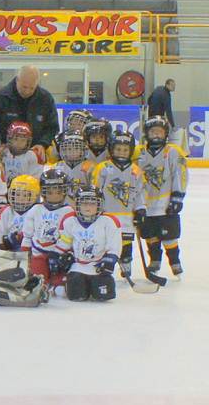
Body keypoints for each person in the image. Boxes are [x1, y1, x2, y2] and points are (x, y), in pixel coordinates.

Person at [90, 130, 146, 278]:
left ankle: (126, 265)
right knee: (104, 242)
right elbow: (96, 190)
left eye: (125, 150)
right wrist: (95, 209)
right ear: (111, 149)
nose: (122, 152)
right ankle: (103, 266)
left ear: (131, 151)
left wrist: (140, 209)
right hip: (106, 215)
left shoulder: (136, 171)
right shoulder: (103, 168)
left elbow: (139, 192)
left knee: (126, 244)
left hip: (127, 215)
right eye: (118, 149)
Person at [137, 115, 187, 277]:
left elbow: (180, 174)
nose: (156, 135)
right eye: (153, 132)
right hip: (145, 205)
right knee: (150, 235)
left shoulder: (172, 151)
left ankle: (175, 262)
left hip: (165, 205)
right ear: (146, 134)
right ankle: (155, 261)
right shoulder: (139, 153)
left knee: (169, 236)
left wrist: (177, 196)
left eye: (159, 131)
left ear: (166, 133)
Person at [54, 187, 121, 302]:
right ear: (77, 204)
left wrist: (109, 261)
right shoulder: (70, 220)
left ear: (99, 204)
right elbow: (64, 242)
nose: (87, 207)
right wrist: (60, 256)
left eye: (92, 203)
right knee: (76, 295)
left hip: (98, 267)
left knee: (103, 296)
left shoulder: (109, 221)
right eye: (84, 203)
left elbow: (114, 245)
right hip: (78, 266)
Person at [0, 65, 58, 151]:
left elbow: (52, 127)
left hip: (35, 151)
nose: (27, 91)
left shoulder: (46, 99)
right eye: (24, 87)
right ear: (17, 80)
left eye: (32, 88)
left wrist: (43, 144)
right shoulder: (0, 98)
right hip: (5, 151)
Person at [21, 168, 73, 292]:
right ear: (43, 192)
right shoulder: (35, 209)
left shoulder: (69, 212)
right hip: (38, 254)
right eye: (49, 192)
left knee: (60, 284)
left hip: (60, 256)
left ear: (65, 192)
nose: (54, 195)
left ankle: (57, 282)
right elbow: (27, 235)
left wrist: (63, 255)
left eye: (58, 192)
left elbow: (69, 237)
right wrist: (25, 254)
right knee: (37, 281)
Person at [0, 174, 39, 251]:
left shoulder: (38, 211)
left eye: (25, 195)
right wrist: (5, 244)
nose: (20, 198)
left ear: (34, 196)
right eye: (17, 194)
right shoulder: (5, 212)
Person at [48, 132, 94, 205]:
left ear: (83, 150)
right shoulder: (56, 167)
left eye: (76, 148)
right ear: (62, 150)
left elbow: (93, 190)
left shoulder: (90, 167)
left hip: (83, 204)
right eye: (69, 149)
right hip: (61, 205)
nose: (72, 152)